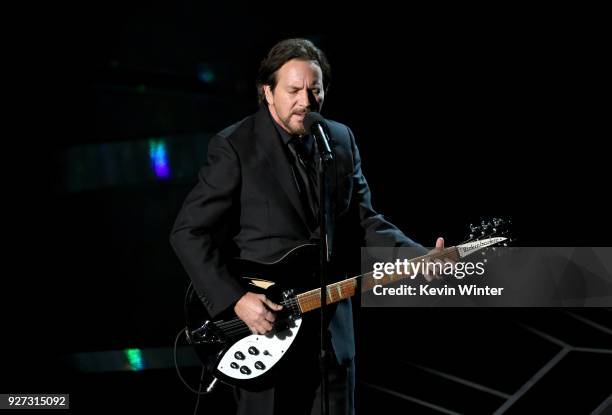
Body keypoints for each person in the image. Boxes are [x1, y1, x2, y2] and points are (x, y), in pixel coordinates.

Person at [170, 38, 444, 415]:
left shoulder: (340, 140)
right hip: (264, 331)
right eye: (294, 90)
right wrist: (235, 299)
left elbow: (364, 220)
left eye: (314, 91)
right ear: (268, 92)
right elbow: (188, 232)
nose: (306, 102)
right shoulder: (236, 146)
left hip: (331, 332)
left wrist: (417, 256)